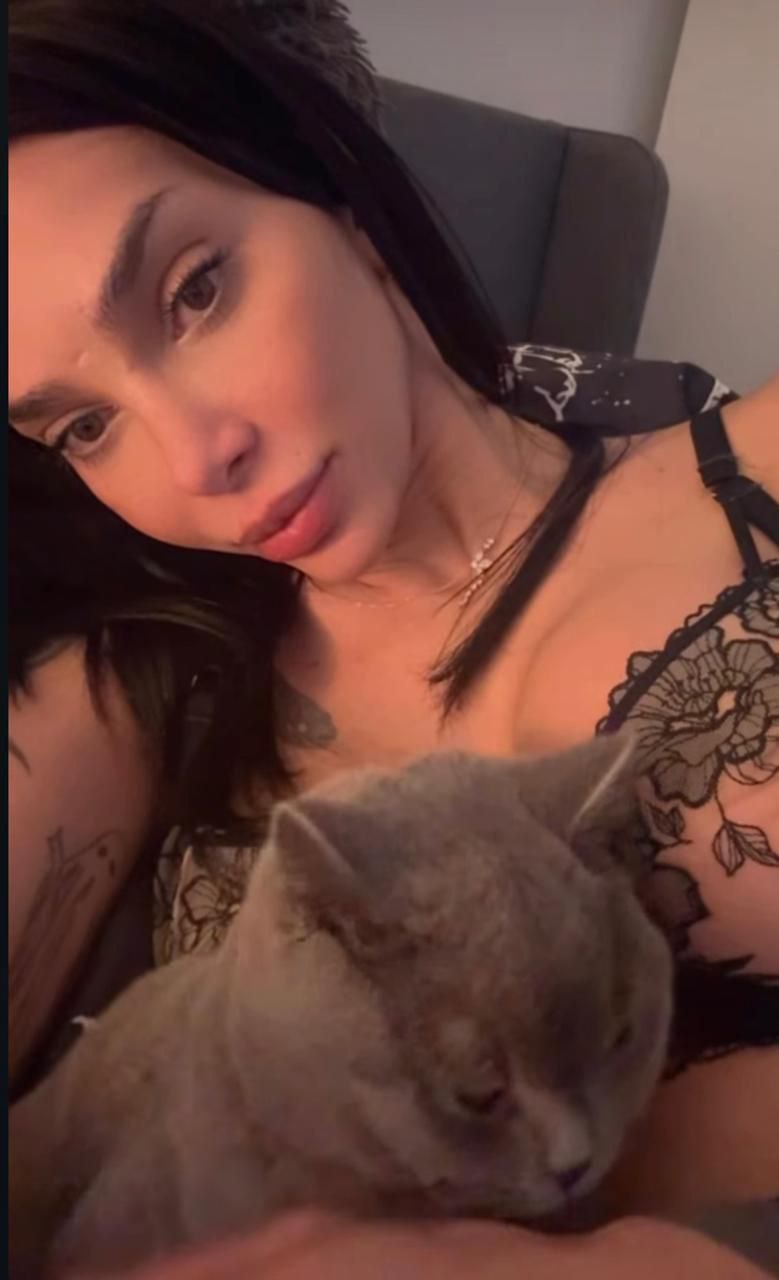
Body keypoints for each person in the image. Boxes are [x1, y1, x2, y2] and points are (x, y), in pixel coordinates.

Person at [8, 0, 779, 1274]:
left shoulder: (752, 472)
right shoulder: (146, 682)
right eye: (84, 427)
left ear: (342, 197)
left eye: (195, 291)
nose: (195, 458)